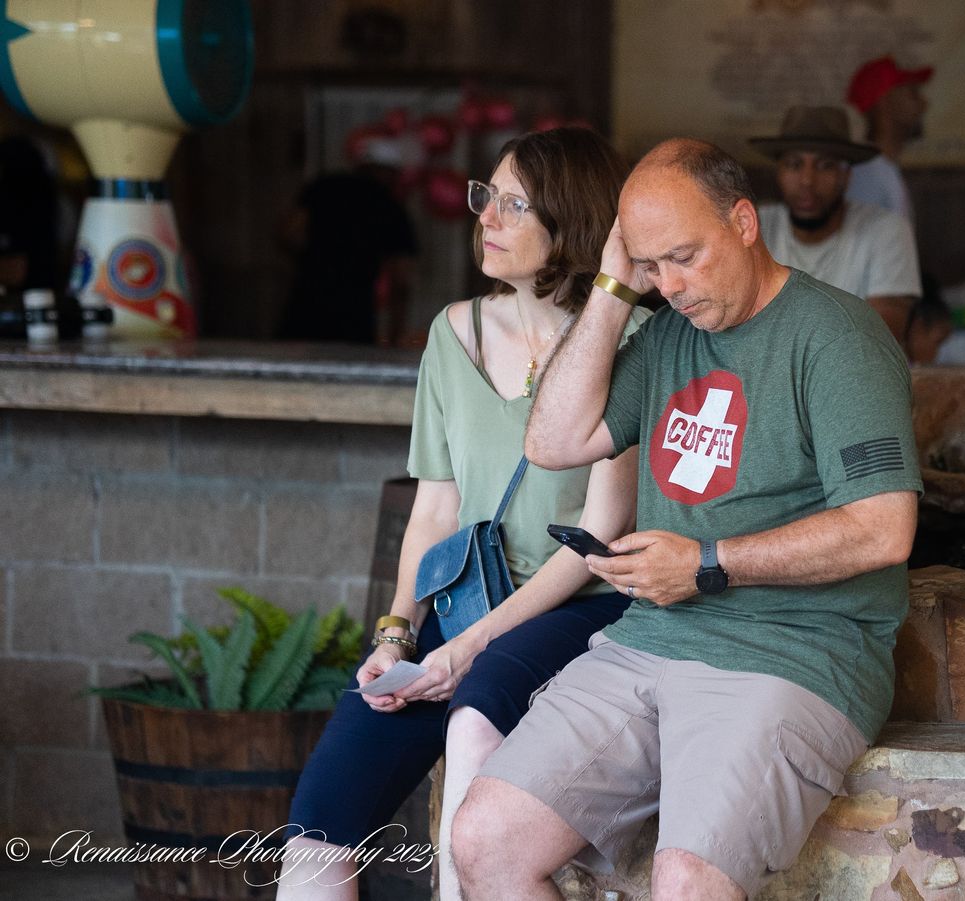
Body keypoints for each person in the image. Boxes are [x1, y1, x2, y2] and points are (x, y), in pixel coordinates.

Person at [451, 138, 922, 900]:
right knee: (484, 838)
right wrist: (613, 288)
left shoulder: (839, 337)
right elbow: (552, 441)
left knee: (687, 881)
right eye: (651, 265)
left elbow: (884, 527)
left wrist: (707, 562)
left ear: (745, 223)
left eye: (684, 257)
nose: (669, 286)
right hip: (651, 639)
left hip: (795, 652)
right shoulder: (670, 333)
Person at [278, 127, 649, 901]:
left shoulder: (631, 337)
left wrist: (465, 649)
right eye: (487, 196)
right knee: (319, 817)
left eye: (513, 204)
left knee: (473, 715)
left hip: (583, 602)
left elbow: (600, 535)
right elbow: (435, 508)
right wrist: (397, 634)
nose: (485, 216)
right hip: (465, 602)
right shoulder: (452, 333)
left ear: (570, 222)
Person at [751, 105, 921, 343]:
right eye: (794, 164)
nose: (807, 180)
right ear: (779, 172)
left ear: (846, 176)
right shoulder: (753, 227)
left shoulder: (885, 230)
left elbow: (880, 337)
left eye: (825, 166)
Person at [277, 164, 418, 345]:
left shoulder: (325, 187)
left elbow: (288, 233)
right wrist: (395, 337)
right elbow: (400, 281)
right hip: (354, 316)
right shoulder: (390, 206)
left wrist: (311, 259)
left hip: (307, 302)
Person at [845, 54, 931, 223]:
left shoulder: (880, 169)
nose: (924, 104)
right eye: (913, 94)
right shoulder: (867, 176)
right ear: (884, 103)